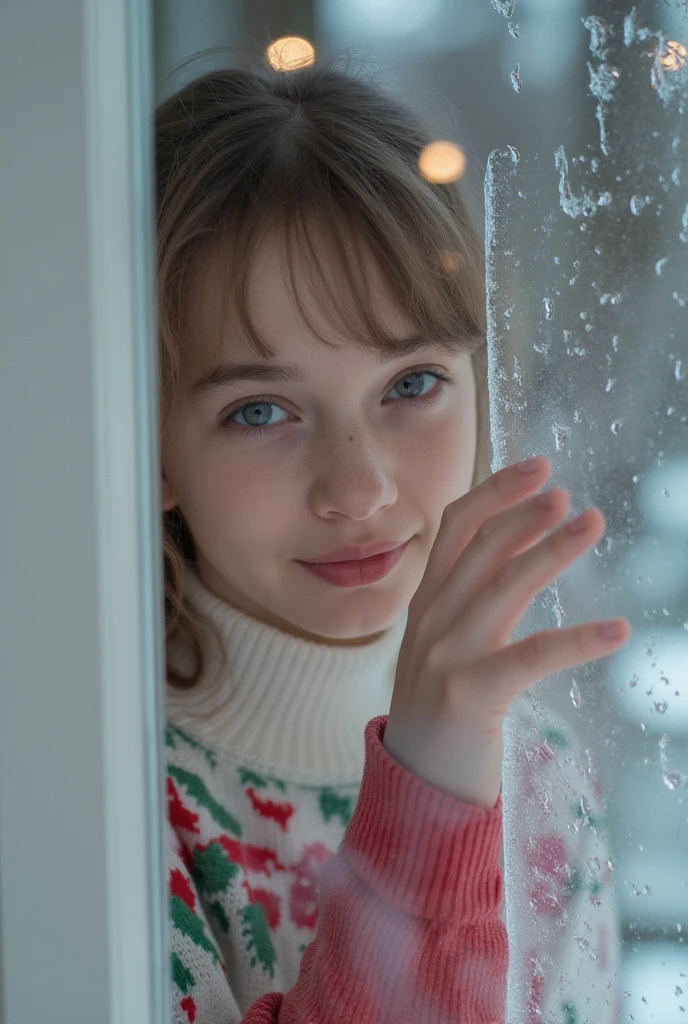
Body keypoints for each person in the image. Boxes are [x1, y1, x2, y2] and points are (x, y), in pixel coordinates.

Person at [158, 49, 630, 1024]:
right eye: (259, 410)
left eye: (410, 385)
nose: (359, 488)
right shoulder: (108, 794)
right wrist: (427, 797)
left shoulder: (538, 773)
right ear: (148, 445)